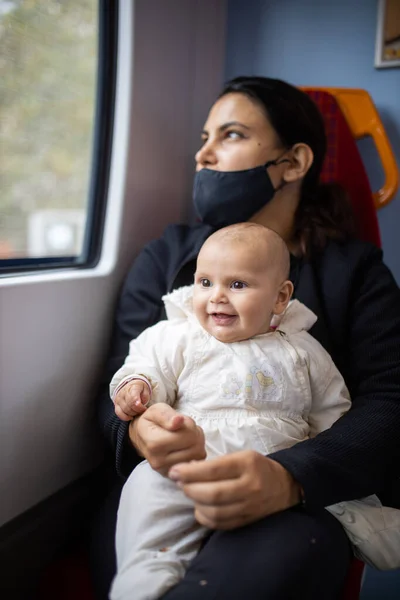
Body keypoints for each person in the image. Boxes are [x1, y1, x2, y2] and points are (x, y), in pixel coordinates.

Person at [92, 76, 400, 600]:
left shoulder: (354, 270)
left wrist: (291, 477)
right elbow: (118, 383)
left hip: (298, 498)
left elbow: (390, 399)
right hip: (162, 484)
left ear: (293, 163)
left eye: (230, 135)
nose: (202, 155)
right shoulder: (164, 256)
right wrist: (141, 428)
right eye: (204, 136)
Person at [108, 223, 399, 600]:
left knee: (325, 517)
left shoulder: (304, 351)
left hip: (272, 469)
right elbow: (145, 365)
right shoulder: (176, 335)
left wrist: (316, 469)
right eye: (205, 282)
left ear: (280, 297)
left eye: (238, 285)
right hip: (186, 463)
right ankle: (144, 580)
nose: (216, 298)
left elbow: (334, 412)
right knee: (147, 489)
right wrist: (137, 390)